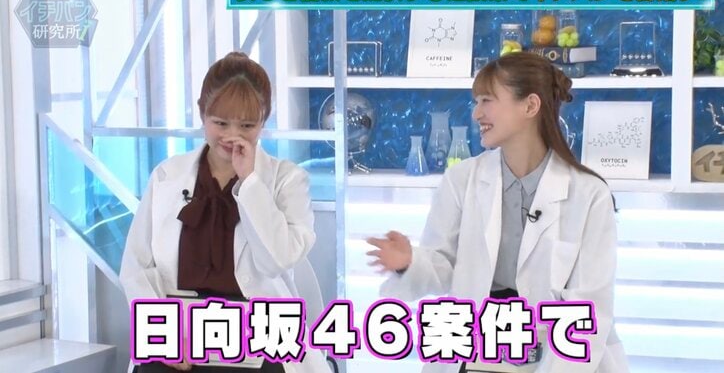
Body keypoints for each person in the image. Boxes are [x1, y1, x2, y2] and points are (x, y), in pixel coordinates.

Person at [367, 52, 629, 373]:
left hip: (558, 359)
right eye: (476, 102)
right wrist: (410, 262)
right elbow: (444, 267)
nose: (477, 113)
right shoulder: (462, 180)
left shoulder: (589, 193)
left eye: (487, 101)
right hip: (477, 350)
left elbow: (588, 306)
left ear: (530, 106)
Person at [120, 52, 330, 373]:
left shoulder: (287, 180)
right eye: (220, 123)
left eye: (247, 125)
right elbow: (136, 266)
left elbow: (276, 260)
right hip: (179, 335)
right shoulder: (167, 175)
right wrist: (164, 336)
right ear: (202, 113)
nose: (232, 136)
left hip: (258, 336)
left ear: (264, 120)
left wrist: (250, 182)